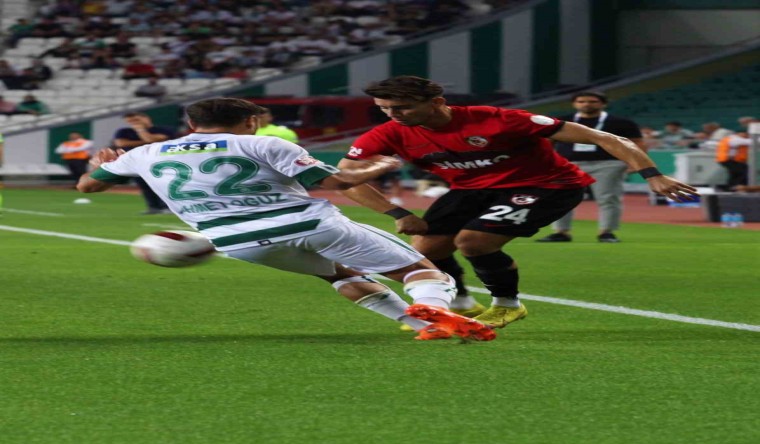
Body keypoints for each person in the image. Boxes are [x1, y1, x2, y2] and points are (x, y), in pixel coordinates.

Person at [76, 98, 495, 342]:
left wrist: (98, 165)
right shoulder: (263, 144)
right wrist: (380, 165)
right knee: (421, 271)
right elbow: (335, 182)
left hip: (237, 243)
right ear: (251, 122)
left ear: (191, 123)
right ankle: (433, 310)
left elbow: (89, 186)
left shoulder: (145, 153)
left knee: (337, 275)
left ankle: (417, 322)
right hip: (309, 224)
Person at [337, 76, 697, 330]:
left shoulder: (500, 120)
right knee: (425, 250)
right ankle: (460, 303)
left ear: (437, 103)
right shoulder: (388, 133)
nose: (394, 114)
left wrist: (653, 175)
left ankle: (507, 305)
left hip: (547, 184)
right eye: (384, 108)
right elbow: (345, 178)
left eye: (402, 107)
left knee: (473, 242)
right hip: (471, 189)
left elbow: (607, 138)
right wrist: (397, 212)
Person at [537, 91, 646, 243]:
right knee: (560, 197)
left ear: (603, 104)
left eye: (592, 101)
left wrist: (636, 163)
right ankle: (561, 232)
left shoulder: (621, 122)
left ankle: (607, 232)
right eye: (581, 101)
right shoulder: (563, 121)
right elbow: (547, 142)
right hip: (567, 164)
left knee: (608, 198)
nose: (586, 104)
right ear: (574, 104)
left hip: (608, 164)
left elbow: (636, 143)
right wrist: (545, 162)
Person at [112, 112, 175, 214]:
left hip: (159, 161)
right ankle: (153, 207)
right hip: (136, 162)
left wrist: (141, 130)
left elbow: (150, 139)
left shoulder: (163, 129)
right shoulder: (124, 131)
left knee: (162, 184)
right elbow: (121, 143)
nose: (133, 123)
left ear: (146, 118)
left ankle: (168, 207)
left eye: (136, 120)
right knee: (144, 185)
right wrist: (148, 143)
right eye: (130, 121)